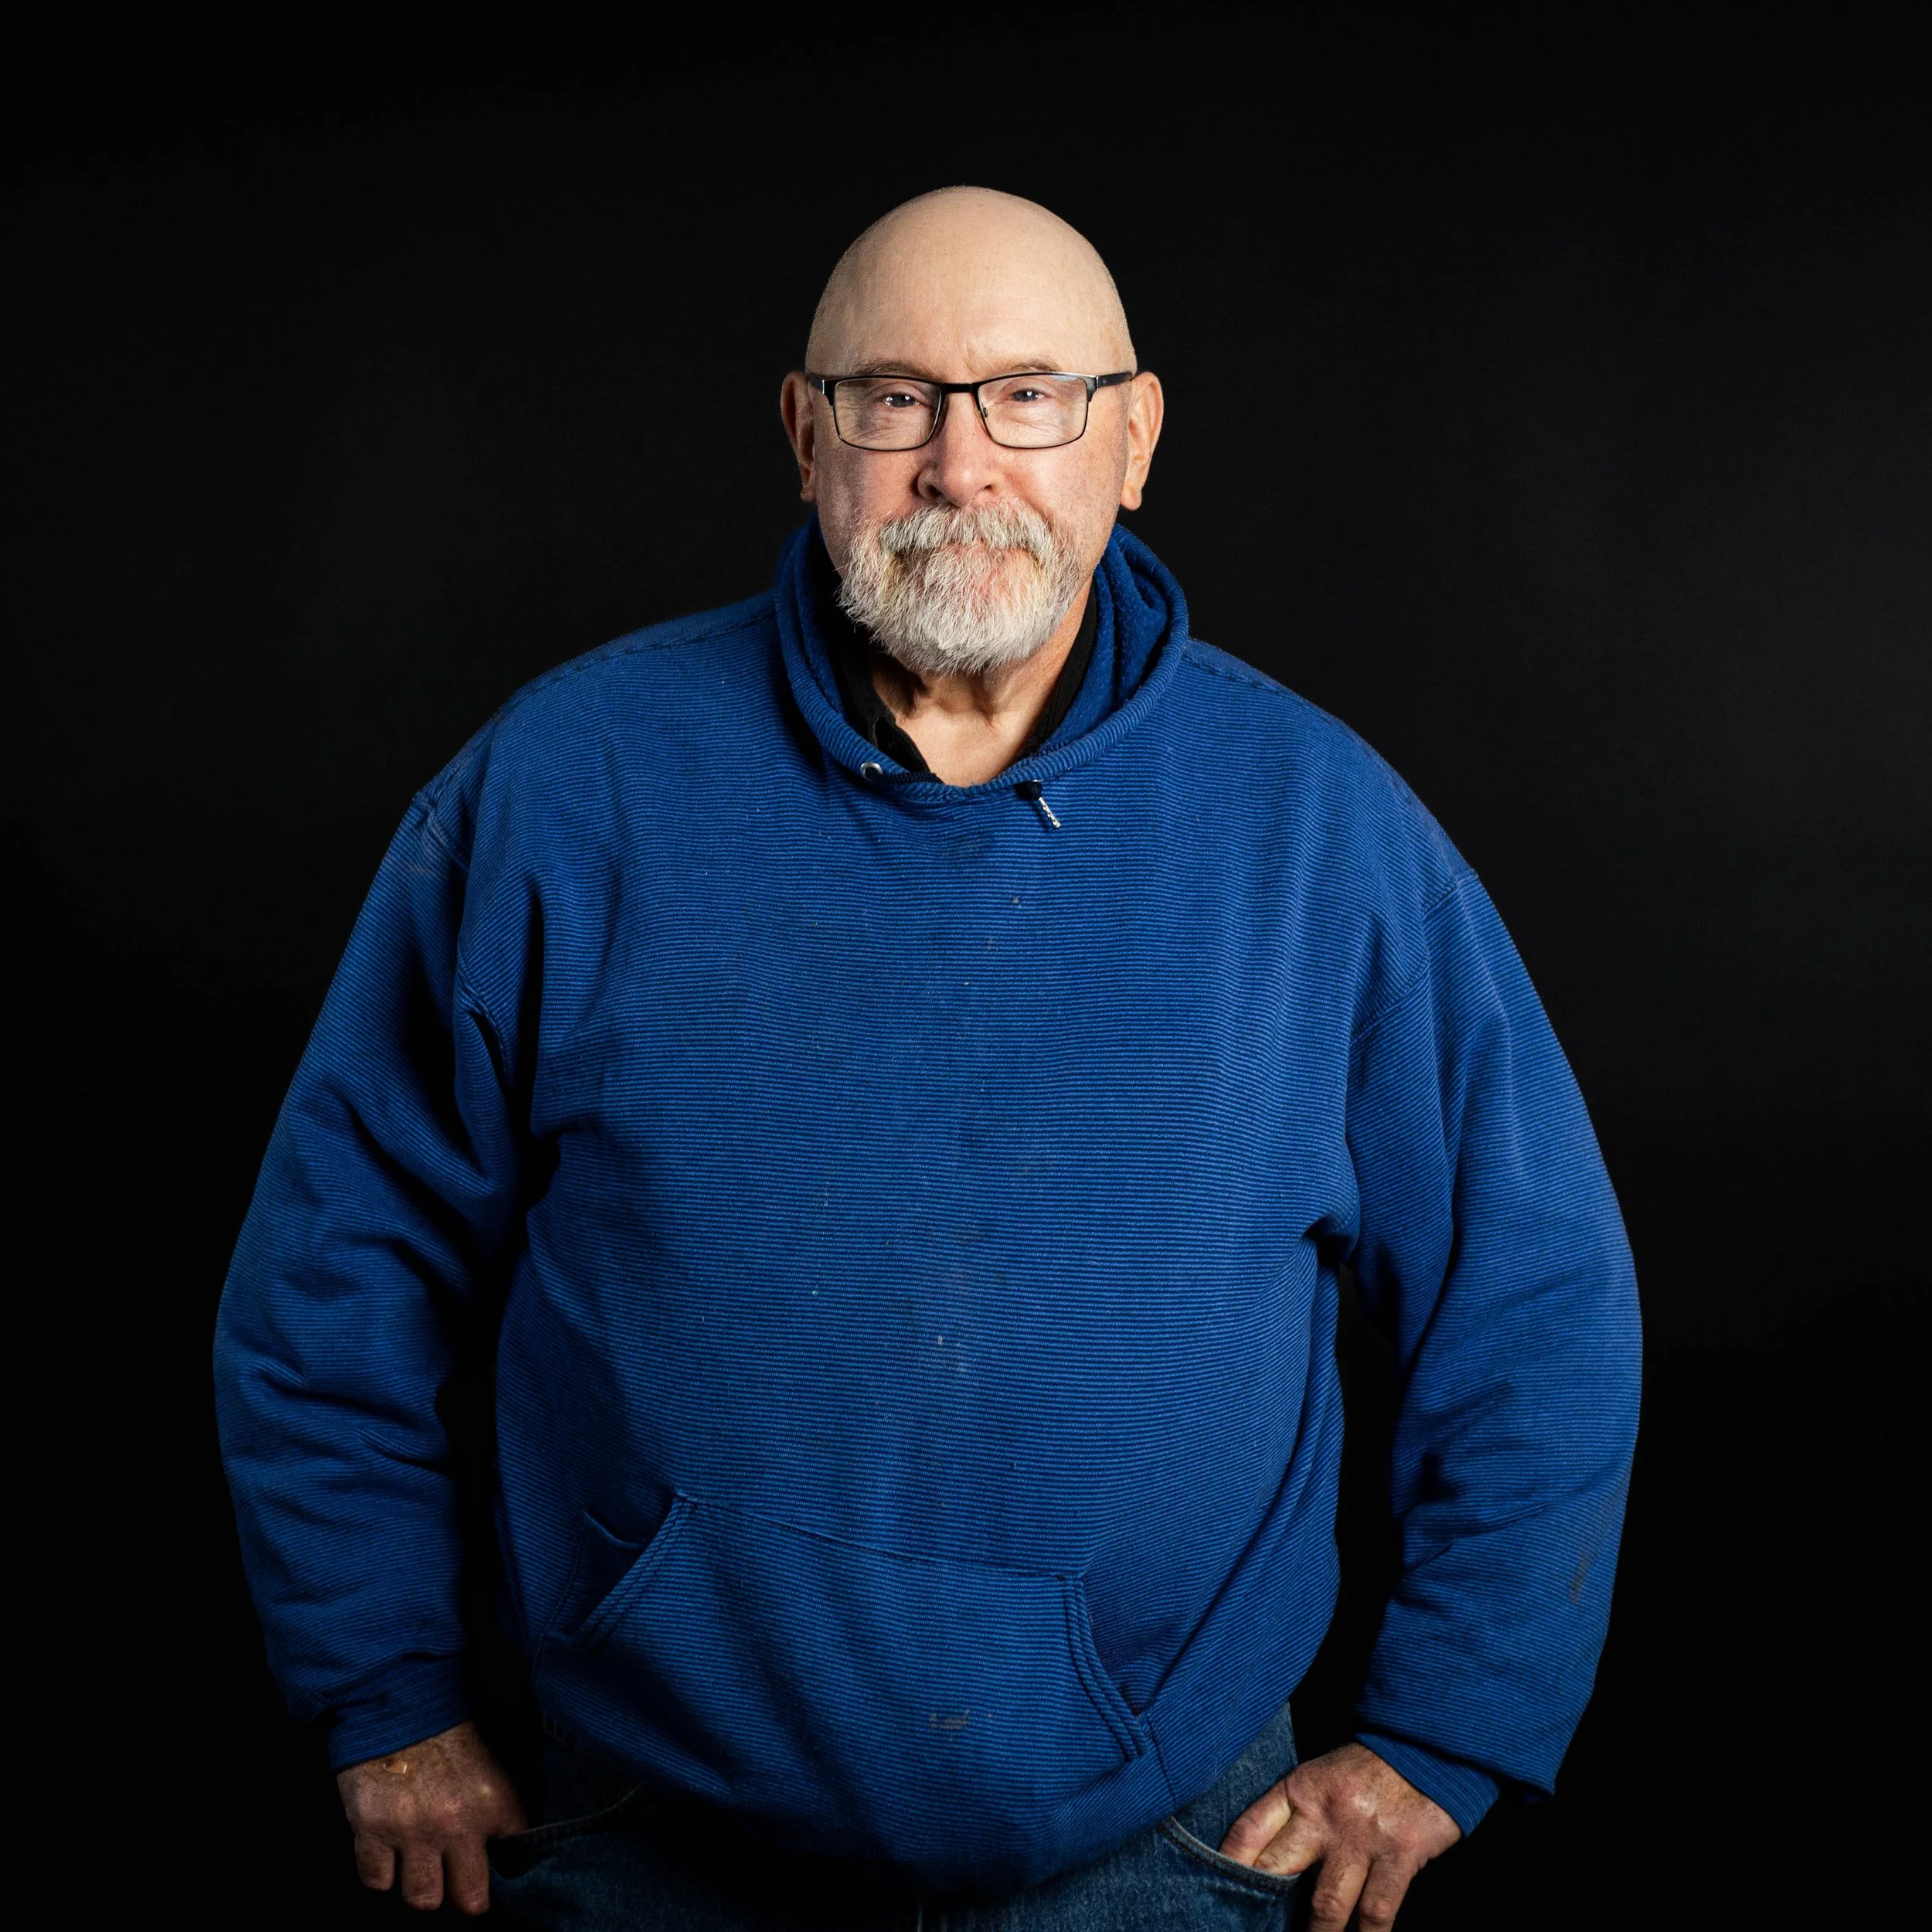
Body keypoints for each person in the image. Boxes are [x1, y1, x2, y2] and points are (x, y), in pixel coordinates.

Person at [215, 187, 1641, 1930]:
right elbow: (330, 1269)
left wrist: (1446, 1724)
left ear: (1133, 440)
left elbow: (1533, 1296)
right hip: (641, 1834)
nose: (960, 465)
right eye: (895, 397)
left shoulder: (1318, 832)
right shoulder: (565, 789)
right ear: (805, 433)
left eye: (1029, 393)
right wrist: (383, 1686)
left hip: (1159, 1846)